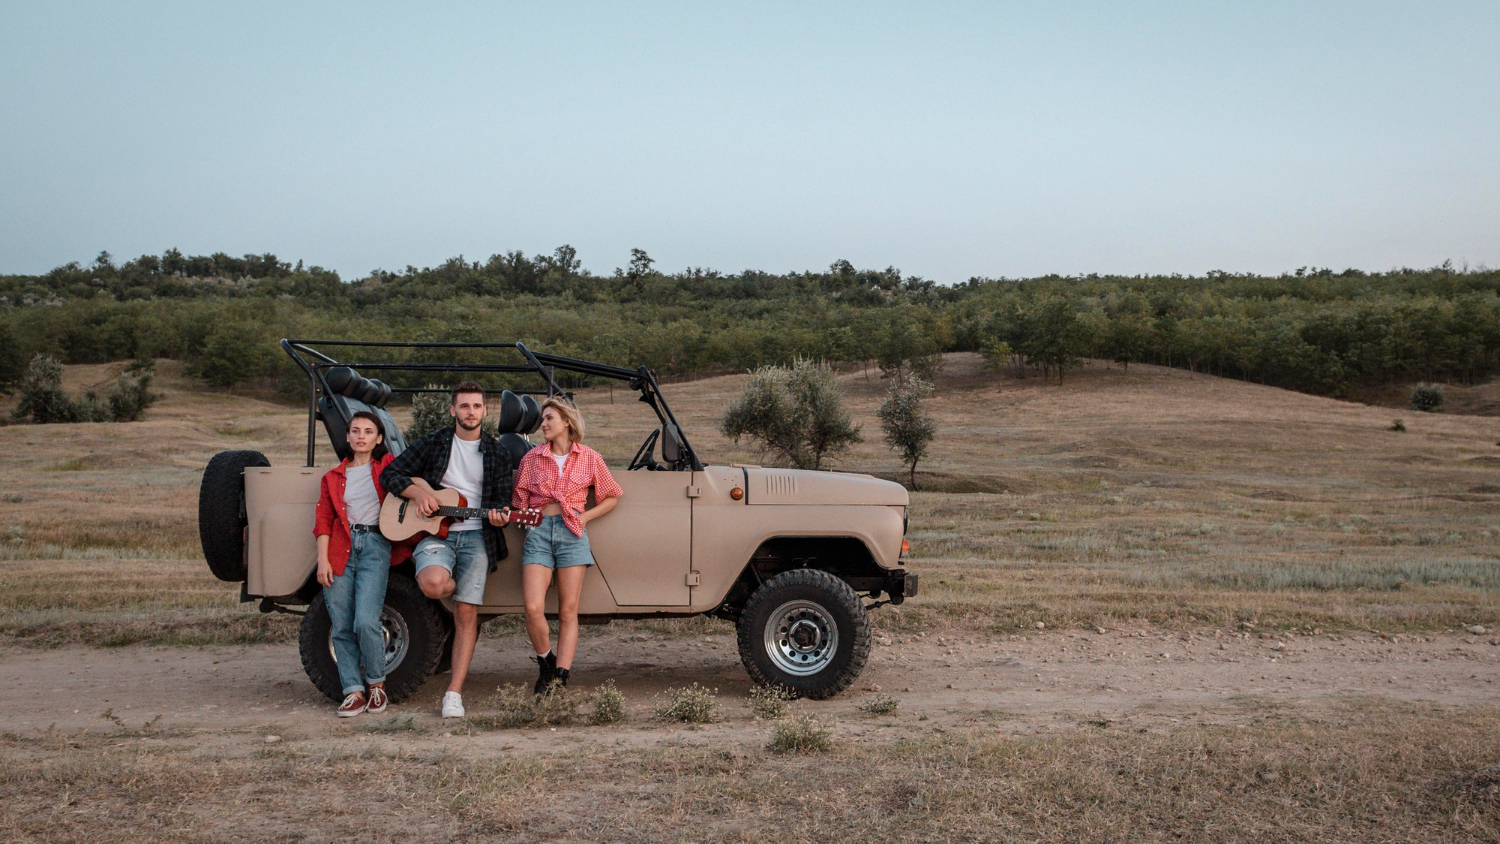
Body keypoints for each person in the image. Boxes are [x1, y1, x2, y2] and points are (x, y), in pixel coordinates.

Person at [381, 382, 515, 718]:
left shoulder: (498, 453)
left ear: (485, 412)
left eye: (477, 406)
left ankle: (453, 693)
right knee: (433, 585)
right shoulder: (435, 442)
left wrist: (500, 517)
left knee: (467, 614)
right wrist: (418, 495)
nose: (471, 412)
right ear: (453, 410)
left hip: (476, 538)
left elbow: (502, 502)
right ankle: (459, 590)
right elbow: (391, 473)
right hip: (436, 535)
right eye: (464, 406)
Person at [510, 397, 623, 694]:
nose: (543, 424)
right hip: (538, 533)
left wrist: (585, 517)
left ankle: (561, 677)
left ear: (566, 422)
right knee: (533, 607)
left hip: (572, 532)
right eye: (543, 419)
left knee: (568, 611)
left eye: (549, 419)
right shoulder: (531, 458)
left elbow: (611, 496)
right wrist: (517, 516)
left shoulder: (589, 457)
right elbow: (519, 501)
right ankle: (546, 663)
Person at [313, 411, 411, 717]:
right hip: (339, 551)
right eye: (355, 431)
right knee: (341, 626)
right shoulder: (332, 477)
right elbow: (323, 521)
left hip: (374, 546)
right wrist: (322, 560)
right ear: (347, 437)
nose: (361, 436)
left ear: (378, 438)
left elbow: (409, 485)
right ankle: (352, 692)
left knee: (366, 621)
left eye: (368, 431)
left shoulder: (388, 466)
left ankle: (376, 687)